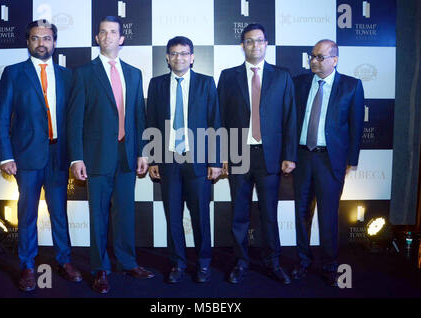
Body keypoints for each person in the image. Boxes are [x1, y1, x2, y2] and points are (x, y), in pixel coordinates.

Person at [67, 16, 153, 294]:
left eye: (113, 32)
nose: (107, 37)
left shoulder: (134, 73)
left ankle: (128, 262)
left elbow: (139, 116)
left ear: (121, 38)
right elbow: (75, 119)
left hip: (127, 153)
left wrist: (142, 152)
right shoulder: (83, 73)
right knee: (99, 215)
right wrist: (76, 157)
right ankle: (100, 268)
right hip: (96, 156)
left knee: (125, 213)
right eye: (102, 32)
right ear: (97, 38)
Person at [0, 19, 82, 292]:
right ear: (28, 41)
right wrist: (6, 156)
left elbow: (74, 119)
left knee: (59, 213)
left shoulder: (68, 76)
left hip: (58, 155)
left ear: (54, 42)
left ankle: (64, 260)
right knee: (28, 213)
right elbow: (1, 119)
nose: (41, 43)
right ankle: (28, 265)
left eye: (46, 38)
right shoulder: (13, 73)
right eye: (35, 38)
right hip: (26, 157)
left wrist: (75, 156)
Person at [217, 23, 297, 285]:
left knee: (269, 214)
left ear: (266, 44)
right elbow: (219, 120)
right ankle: (240, 262)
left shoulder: (282, 76)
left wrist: (289, 154)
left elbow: (290, 118)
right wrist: (221, 156)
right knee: (239, 214)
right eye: (249, 41)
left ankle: (272, 262)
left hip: (270, 156)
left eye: (259, 40)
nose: (254, 45)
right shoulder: (228, 77)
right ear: (242, 45)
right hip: (238, 155)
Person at [146, 36, 222, 283]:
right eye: (174, 53)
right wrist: (154, 158)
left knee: (201, 217)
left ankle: (203, 263)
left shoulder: (206, 83)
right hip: (168, 162)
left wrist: (216, 161)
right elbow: (152, 123)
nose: (179, 57)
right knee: (173, 217)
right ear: (167, 58)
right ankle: (177, 264)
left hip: (198, 161)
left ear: (192, 57)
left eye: (184, 53)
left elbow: (215, 123)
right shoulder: (156, 84)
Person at [291, 39, 364, 286]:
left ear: (335, 59)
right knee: (301, 212)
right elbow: (290, 122)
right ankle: (303, 261)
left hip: (329, 160)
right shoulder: (299, 83)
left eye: (320, 57)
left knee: (328, 215)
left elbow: (356, 126)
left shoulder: (352, 86)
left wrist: (350, 160)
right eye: (312, 56)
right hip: (301, 157)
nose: (314, 61)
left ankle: (330, 265)